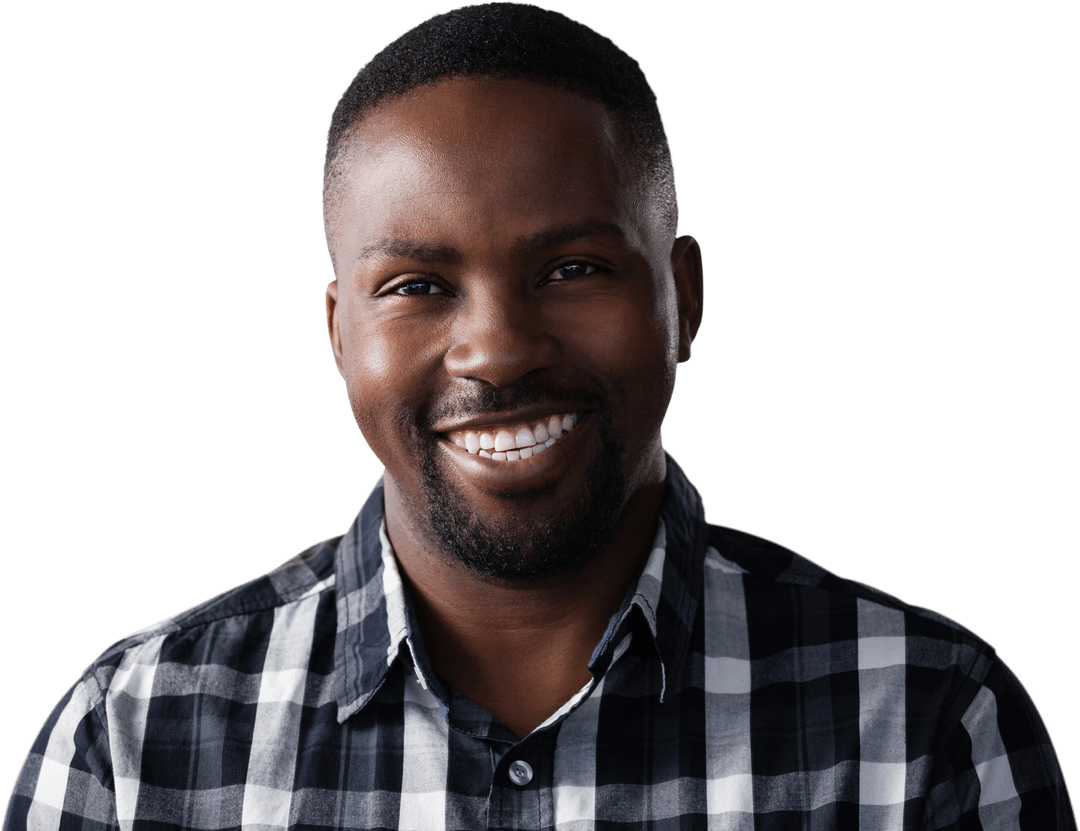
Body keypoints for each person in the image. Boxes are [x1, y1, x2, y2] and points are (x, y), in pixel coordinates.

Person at [5, 4, 1075, 829]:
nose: (498, 349)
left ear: (683, 299)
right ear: (340, 335)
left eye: (572, 268)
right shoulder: (134, 739)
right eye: (417, 285)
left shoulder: (927, 719)